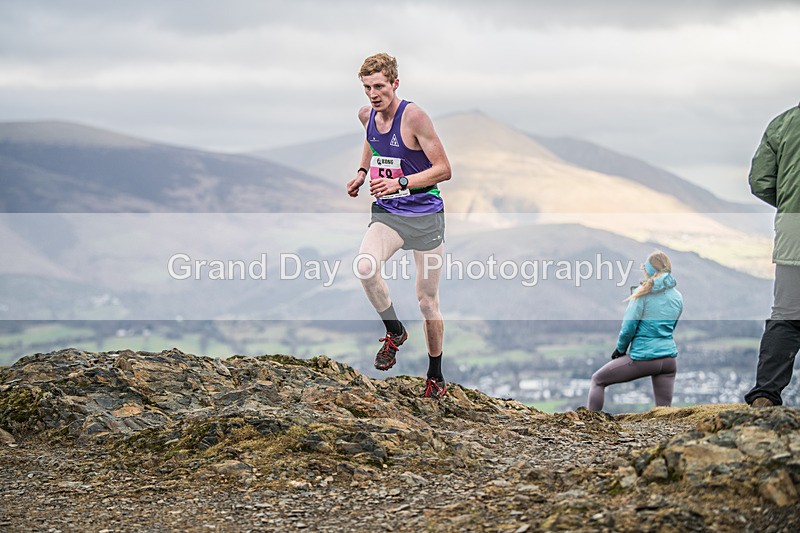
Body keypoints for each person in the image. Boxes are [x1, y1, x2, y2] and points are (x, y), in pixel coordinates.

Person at [346, 53, 452, 399]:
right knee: (365, 267)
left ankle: (435, 375)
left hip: (425, 217)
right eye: (367, 88)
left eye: (379, 86)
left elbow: (444, 169)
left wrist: (401, 182)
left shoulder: (414, 117)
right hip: (389, 213)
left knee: (427, 302)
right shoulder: (367, 115)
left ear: (395, 83)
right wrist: (362, 173)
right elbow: (371, 140)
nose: (373, 94)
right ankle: (394, 331)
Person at [745, 103, 800, 408]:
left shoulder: (782, 124)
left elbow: (761, 181)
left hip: (794, 234)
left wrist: (790, 202)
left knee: (787, 316)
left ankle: (765, 395)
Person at [587, 251, 684, 412]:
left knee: (597, 380)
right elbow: (671, 326)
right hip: (669, 360)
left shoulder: (642, 294)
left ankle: (590, 422)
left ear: (649, 271)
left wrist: (620, 349)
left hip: (644, 358)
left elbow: (628, 328)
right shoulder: (678, 297)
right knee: (664, 411)